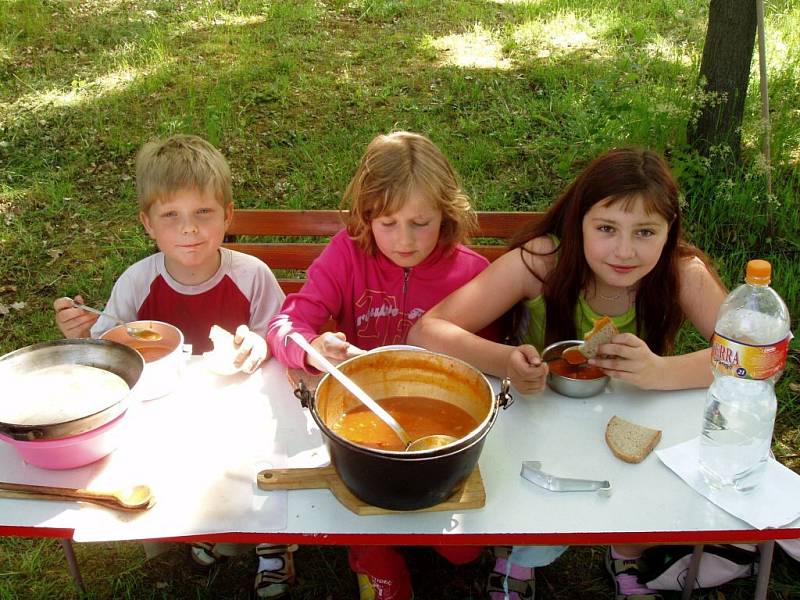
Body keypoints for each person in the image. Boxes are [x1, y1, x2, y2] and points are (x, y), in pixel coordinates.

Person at [409, 147, 728, 600]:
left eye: (645, 232)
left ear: (668, 232)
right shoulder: (542, 260)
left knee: (649, 484)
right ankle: (519, 556)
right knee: (532, 484)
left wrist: (661, 371)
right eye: (605, 228)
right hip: (540, 415)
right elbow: (426, 331)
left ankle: (628, 550)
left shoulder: (682, 272)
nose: (624, 250)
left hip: (635, 419)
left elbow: (754, 357)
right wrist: (507, 364)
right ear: (578, 222)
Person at [52, 134, 291, 598]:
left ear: (227, 214)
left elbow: (279, 332)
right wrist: (81, 331)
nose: (189, 229)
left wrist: (260, 343)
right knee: (176, 468)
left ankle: (272, 545)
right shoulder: (138, 281)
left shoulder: (252, 275)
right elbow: (111, 347)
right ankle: (199, 526)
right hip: (167, 408)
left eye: (203, 212)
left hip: (242, 406)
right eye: (171, 216)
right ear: (148, 223)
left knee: (260, 462)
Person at [267, 130, 491, 600]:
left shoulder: (470, 272)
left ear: (446, 214)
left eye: (420, 223)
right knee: (362, 497)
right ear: (366, 217)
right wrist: (312, 347)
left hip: (440, 425)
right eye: (387, 223)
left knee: (464, 551)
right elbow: (285, 324)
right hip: (359, 419)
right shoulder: (347, 256)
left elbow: (487, 361)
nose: (403, 241)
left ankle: (436, 540)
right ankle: (374, 559)